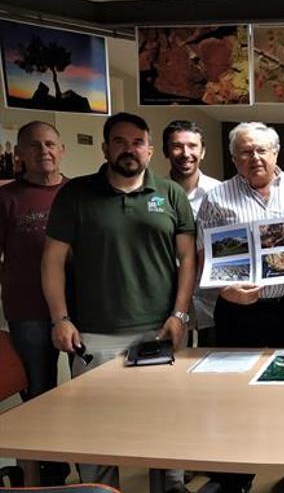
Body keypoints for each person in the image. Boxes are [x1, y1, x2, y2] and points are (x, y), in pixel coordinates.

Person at [42, 112, 196, 489]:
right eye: (120, 142)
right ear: (105, 147)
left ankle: (170, 488)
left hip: (159, 331)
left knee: (165, 423)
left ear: (149, 149)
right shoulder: (76, 194)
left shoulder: (170, 193)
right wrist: (60, 318)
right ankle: (100, 490)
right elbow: (52, 260)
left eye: (138, 142)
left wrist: (179, 314)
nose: (130, 150)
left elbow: (189, 258)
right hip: (96, 334)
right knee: (97, 429)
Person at [195, 122, 284, 493]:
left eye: (261, 150)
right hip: (239, 311)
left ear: (275, 153)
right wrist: (224, 290)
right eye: (245, 152)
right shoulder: (217, 197)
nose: (254, 158)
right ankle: (237, 476)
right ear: (235, 157)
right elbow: (205, 257)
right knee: (238, 395)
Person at [0, 121, 69, 486]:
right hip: (28, 312)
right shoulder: (6, 197)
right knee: (39, 394)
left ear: (61, 150)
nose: (43, 151)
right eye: (34, 145)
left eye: (50, 144)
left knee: (86, 392)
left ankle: (84, 458)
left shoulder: (78, 193)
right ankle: (49, 473)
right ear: (20, 153)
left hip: (79, 311)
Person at [163, 120, 221, 346]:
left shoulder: (222, 194)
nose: (185, 153)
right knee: (172, 370)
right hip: (168, 303)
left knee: (217, 371)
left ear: (203, 151)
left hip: (215, 301)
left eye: (192, 146)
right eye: (177, 146)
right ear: (166, 150)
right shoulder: (154, 195)